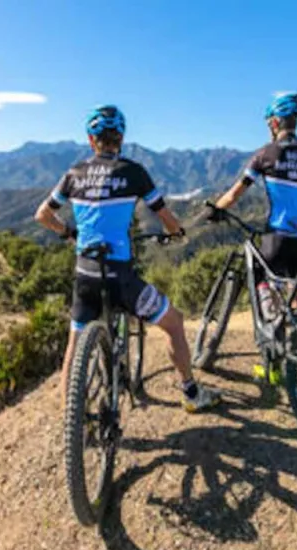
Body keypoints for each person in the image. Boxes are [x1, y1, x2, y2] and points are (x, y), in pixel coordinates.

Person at [34, 105, 218, 414]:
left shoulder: (73, 174)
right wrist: (176, 234)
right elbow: (166, 217)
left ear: (91, 140)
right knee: (174, 323)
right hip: (120, 277)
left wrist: (69, 233)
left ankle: (73, 422)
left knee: (74, 345)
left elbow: (42, 215)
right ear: (120, 138)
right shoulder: (133, 172)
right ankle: (190, 392)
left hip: (85, 274)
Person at [208, 92, 297, 312]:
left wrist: (215, 210)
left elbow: (235, 194)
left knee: (261, 275)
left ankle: (273, 329)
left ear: (274, 122)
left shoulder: (265, 154)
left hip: (277, 235)